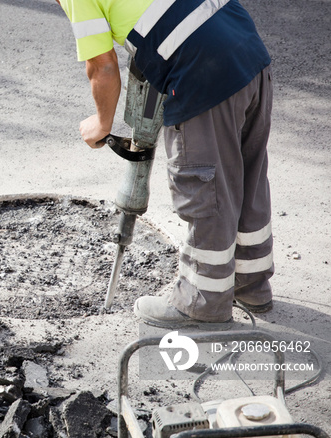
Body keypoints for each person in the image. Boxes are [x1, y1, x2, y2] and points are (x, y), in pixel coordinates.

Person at [56, 0, 275, 328]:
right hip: (249, 54)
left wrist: (102, 123)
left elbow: (101, 67)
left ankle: (202, 303)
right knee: (246, 176)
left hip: (205, 73)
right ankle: (251, 284)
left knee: (205, 187)